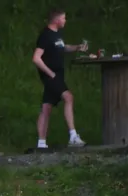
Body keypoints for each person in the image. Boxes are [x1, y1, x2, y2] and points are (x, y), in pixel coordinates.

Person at [32, 8, 87, 149]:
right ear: (56, 20)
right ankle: (73, 136)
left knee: (46, 108)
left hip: (58, 75)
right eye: (63, 18)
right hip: (51, 76)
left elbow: (63, 47)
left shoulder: (57, 34)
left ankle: (41, 143)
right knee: (69, 97)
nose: (65, 21)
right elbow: (36, 58)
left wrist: (77, 47)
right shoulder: (45, 35)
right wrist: (50, 73)